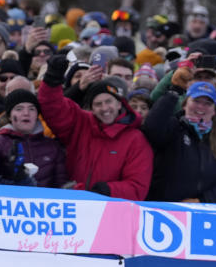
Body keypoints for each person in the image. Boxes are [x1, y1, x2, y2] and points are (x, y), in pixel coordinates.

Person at [39, 54, 152, 199]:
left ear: (119, 104)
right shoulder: (81, 123)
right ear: (91, 108)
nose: (105, 108)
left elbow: (138, 186)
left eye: (109, 101)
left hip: (109, 212)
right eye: (98, 104)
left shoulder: (135, 139)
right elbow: (53, 107)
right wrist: (52, 79)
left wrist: (107, 191)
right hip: (73, 205)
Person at [142, 77, 216, 203]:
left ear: (214, 110)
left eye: (208, 103)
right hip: (166, 210)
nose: (201, 106)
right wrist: (173, 93)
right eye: (196, 101)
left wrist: (203, 201)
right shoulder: (173, 127)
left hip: (207, 213)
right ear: (185, 104)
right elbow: (152, 127)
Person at [0, 89, 67, 188]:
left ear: (37, 115)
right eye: (19, 109)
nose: (26, 113)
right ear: (9, 116)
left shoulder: (53, 146)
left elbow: (62, 186)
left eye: (32, 109)